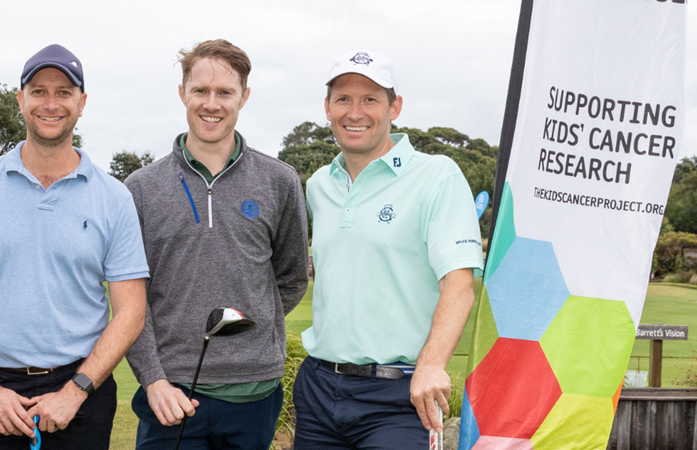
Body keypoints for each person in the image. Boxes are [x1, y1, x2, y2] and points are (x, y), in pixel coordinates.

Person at [0, 44, 149, 450]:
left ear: (82, 103)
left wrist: (76, 390)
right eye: (38, 91)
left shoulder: (114, 197)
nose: (51, 103)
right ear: (20, 99)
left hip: (81, 388)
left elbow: (131, 311)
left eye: (64, 92)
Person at [123, 39, 310, 450]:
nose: (212, 103)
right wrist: (153, 378)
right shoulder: (140, 188)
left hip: (253, 392)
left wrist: (253, 324)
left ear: (244, 96)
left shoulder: (280, 181)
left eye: (225, 92)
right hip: (168, 393)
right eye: (200, 91)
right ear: (182, 94)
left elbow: (292, 277)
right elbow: (129, 300)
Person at [292, 49, 483, 449]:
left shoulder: (437, 175)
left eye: (370, 99)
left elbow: (459, 284)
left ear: (395, 107)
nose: (354, 112)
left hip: (400, 396)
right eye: (343, 99)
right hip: (319, 391)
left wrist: (432, 365)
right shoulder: (318, 186)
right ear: (327, 108)